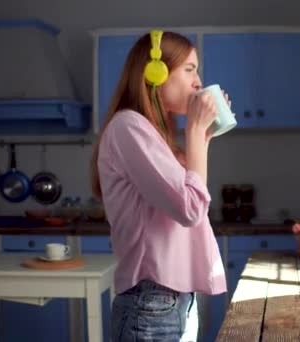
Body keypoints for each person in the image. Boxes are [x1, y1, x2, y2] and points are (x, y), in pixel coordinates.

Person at [90, 30, 228, 342]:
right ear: (155, 73)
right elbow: (190, 209)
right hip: (151, 302)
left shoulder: (151, 135)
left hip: (173, 299)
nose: (198, 82)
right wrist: (194, 131)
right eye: (190, 69)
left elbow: (188, 198)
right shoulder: (129, 127)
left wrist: (202, 137)